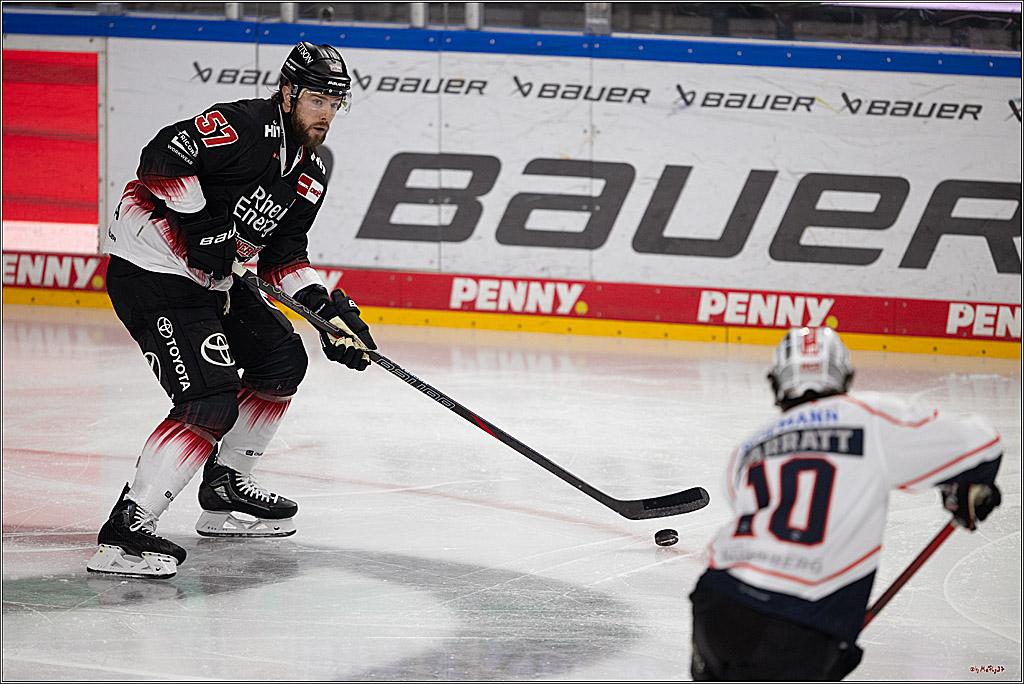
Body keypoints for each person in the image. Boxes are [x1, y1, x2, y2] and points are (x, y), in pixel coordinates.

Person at [86, 42, 377, 579]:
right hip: (153, 272)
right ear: (288, 92)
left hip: (213, 281)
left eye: (336, 103)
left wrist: (325, 314)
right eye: (317, 98)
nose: (326, 114)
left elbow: (283, 255)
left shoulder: (310, 172)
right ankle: (127, 529)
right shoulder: (245, 124)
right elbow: (161, 156)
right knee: (209, 400)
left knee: (282, 360)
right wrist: (198, 224)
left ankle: (224, 488)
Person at [690, 327, 1003, 681]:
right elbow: (983, 444)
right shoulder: (869, 417)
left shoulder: (747, 449)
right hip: (798, 621)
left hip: (716, 602)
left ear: (776, 382)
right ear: (846, 377)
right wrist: (957, 488)